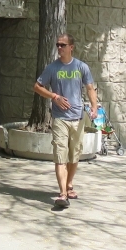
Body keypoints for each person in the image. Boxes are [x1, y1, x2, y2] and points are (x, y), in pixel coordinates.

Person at [33, 33, 98, 209]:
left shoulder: (81, 67)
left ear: (71, 47)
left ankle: (69, 185)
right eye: (58, 45)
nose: (59, 48)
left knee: (74, 154)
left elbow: (90, 88)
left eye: (63, 45)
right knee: (60, 155)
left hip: (77, 118)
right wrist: (54, 96)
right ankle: (62, 194)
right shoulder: (52, 68)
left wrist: (94, 107)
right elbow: (37, 86)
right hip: (60, 118)